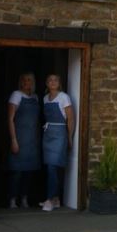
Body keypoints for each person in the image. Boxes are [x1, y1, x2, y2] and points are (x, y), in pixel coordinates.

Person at [7, 73, 41, 209]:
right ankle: (12, 199)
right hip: (19, 137)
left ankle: (24, 199)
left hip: (32, 139)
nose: (27, 82)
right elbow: (10, 119)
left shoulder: (35, 97)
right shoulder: (16, 95)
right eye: (24, 80)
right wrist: (14, 140)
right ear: (21, 82)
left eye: (30, 80)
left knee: (29, 171)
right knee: (17, 171)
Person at [41, 73, 74, 212]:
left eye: (55, 80)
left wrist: (70, 137)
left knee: (53, 167)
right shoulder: (45, 98)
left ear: (59, 83)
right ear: (47, 83)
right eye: (50, 79)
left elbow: (71, 118)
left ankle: (49, 199)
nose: (53, 82)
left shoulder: (64, 97)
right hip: (48, 134)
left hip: (60, 134)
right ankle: (56, 200)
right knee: (49, 166)